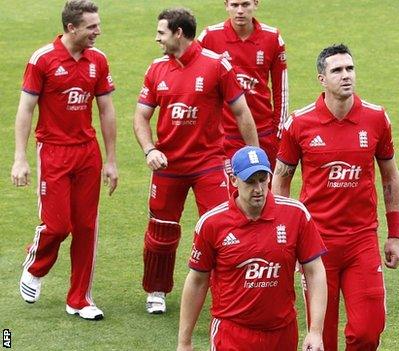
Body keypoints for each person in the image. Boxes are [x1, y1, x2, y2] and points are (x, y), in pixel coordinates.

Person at [272, 44, 399, 351]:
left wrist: (394, 234)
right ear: (321, 78)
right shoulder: (299, 123)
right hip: (316, 244)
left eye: (350, 69)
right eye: (337, 70)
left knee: (368, 332)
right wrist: (286, 236)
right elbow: (281, 179)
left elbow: (390, 177)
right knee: (322, 338)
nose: (346, 76)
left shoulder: (376, 118)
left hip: (362, 241)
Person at [133, 7, 259, 314]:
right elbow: (141, 116)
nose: (157, 38)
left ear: (178, 33)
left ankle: (227, 290)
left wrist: (256, 161)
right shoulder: (156, 69)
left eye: (161, 32)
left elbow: (242, 113)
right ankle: (157, 290)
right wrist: (150, 149)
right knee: (161, 231)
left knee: (223, 225)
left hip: (209, 164)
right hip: (168, 165)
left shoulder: (217, 66)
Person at [12, 0, 118, 321]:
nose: (98, 32)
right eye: (92, 27)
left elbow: (107, 110)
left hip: (88, 152)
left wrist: (111, 160)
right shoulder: (42, 59)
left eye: (98, 25)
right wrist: (20, 158)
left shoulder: (97, 60)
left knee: (86, 227)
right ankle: (36, 265)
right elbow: (26, 110)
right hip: (54, 152)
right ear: (71, 28)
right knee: (58, 226)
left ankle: (79, 299)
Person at [177, 146, 327, 351]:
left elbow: (315, 271)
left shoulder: (295, 214)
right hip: (232, 334)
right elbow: (197, 281)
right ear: (233, 180)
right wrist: (184, 342)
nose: (258, 188)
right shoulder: (212, 223)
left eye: (262, 179)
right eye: (250, 181)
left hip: (282, 334)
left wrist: (316, 331)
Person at [198, 0, 288, 169]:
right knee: (227, 193)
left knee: (263, 192)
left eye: (245, 4)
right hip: (224, 136)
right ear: (226, 5)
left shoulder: (273, 38)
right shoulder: (209, 37)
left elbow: (281, 89)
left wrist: (278, 133)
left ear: (256, 4)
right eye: (234, 5)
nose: (240, 11)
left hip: (264, 133)